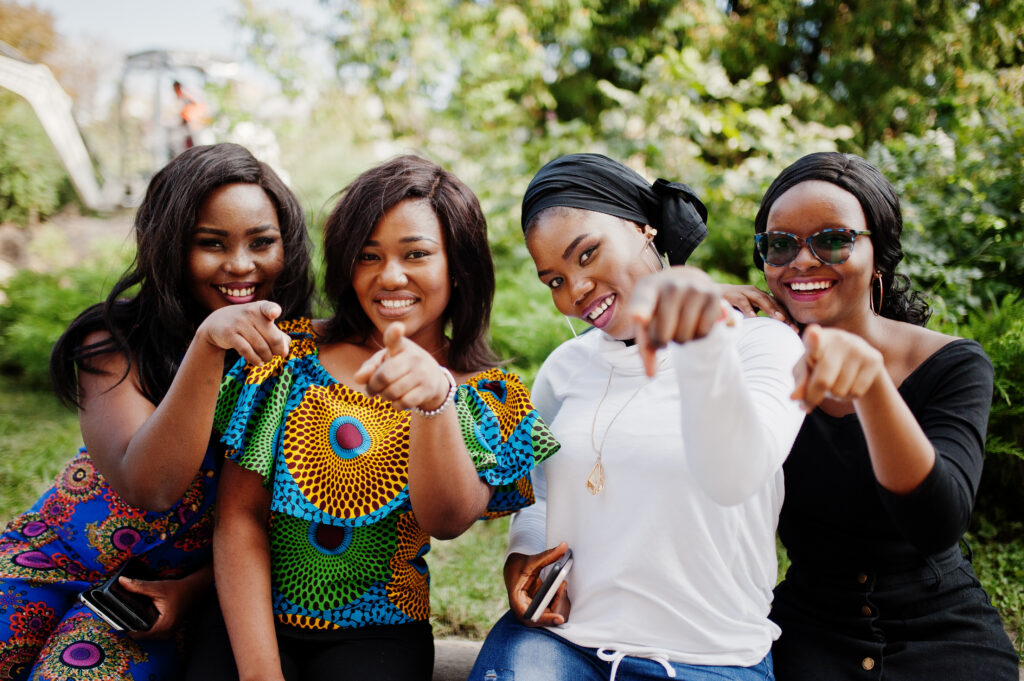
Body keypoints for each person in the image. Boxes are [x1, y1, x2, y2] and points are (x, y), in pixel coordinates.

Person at [201, 155, 558, 681]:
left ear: (457, 267)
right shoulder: (289, 357)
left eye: (416, 254)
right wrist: (260, 674)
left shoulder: (485, 394)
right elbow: (238, 520)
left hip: (382, 633)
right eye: (368, 256)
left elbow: (449, 520)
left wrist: (434, 401)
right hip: (248, 622)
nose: (390, 276)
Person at [468, 153, 807, 681]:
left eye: (587, 254)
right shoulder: (566, 367)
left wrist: (698, 337)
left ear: (642, 226)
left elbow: (738, 472)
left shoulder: (760, 344)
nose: (575, 291)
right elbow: (542, 491)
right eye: (553, 280)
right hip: (561, 644)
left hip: (708, 659)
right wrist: (523, 554)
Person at [0, 142, 314, 681]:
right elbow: (145, 481)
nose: (240, 265)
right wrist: (206, 347)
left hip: (151, 602)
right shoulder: (113, 342)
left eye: (262, 242)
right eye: (211, 244)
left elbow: (279, 527)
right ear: (169, 247)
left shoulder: (304, 363)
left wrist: (191, 593)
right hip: (47, 560)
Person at [737, 151, 1019, 679]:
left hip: (942, 628)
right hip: (809, 631)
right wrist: (703, 322)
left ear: (879, 253)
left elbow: (937, 522)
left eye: (832, 239)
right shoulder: (754, 364)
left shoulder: (951, 364)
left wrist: (871, 389)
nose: (802, 261)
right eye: (780, 244)